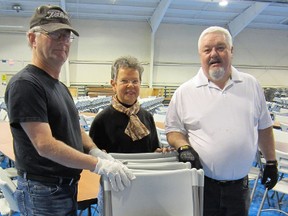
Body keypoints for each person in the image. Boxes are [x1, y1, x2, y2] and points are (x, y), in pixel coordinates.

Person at [4, 5, 134, 215]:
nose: (63, 41)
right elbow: (44, 145)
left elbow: (74, 128)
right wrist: (97, 165)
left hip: (62, 188)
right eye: (54, 35)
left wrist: (95, 150)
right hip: (44, 192)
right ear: (32, 39)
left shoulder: (58, 86)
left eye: (66, 36)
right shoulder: (26, 84)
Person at [165, 26, 278, 216]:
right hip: (202, 185)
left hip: (239, 188)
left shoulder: (251, 85)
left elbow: (264, 127)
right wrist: (184, 147)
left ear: (231, 51)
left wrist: (272, 162)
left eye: (220, 48)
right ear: (200, 54)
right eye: (207, 50)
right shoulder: (185, 92)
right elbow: (173, 131)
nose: (213, 54)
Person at [89, 56, 168, 153]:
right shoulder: (101, 120)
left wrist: (161, 152)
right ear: (113, 84)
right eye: (124, 81)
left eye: (135, 81)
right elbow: (93, 157)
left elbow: (153, 150)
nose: (130, 85)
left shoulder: (147, 117)